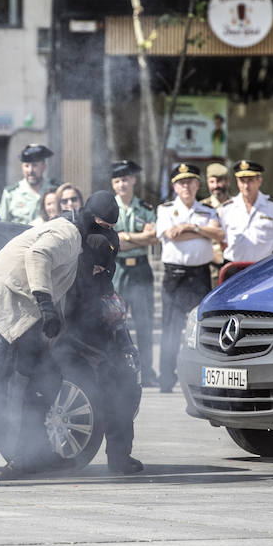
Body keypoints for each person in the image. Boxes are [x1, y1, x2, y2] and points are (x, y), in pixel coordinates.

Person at [0, 194, 104, 485]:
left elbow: (59, 289)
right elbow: (37, 256)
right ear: (97, 224)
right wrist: (45, 305)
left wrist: (52, 321)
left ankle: (34, 453)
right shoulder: (67, 232)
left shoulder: (72, 238)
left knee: (47, 376)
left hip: (16, 318)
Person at [63, 232, 143, 474]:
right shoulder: (73, 283)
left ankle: (120, 457)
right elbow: (70, 323)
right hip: (80, 354)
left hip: (108, 350)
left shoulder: (103, 281)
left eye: (104, 264)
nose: (100, 269)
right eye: (95, 264)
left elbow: (113, 315)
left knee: (123, 393)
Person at [155, 163, 223, 393]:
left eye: (190, 181)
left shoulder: (207, 210)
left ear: (197, 184)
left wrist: (188, 226)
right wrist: (201, 232)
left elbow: (219, 234)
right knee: (171, 328)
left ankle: (203, 375)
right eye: (181, 182)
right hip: (175, 275)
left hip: (200, 274)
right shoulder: (165, 210)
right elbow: (170, 236)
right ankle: (166, 377)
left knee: (203, 327)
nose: (186, 186)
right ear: (174, 186)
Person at [110, 160, 158, 386]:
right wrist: (137, 237)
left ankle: (148, 372)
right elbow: (111, 241)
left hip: (141, 268)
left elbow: (154, 237)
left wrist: (124, 237)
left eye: (126, 179)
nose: (122, 184)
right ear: (113, 183)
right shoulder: (110, 208)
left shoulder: (145, 209)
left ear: (134, 180)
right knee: (115, 321)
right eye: (118, 180)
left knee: (144, 322)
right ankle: (119, 370)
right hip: (117, 269)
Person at [216, 160, 273, 284]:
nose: (246, 186)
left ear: (259, 181)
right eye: (242, 181)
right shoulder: (226, 208)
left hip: (264, 268)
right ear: (237, 182)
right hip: (233, 269)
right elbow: (222, 242)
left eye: (250, 180)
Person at [0, 144, 58, 224]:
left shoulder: (55, 190)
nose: (30, 171)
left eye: (35, 165)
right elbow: (3, 223)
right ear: (22, 168)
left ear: (44, 167)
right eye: (26, 166)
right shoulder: (11, 193)